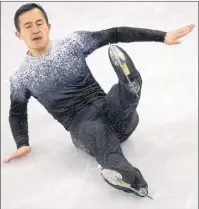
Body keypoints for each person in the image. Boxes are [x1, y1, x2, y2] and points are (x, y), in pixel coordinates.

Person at [4, 3, 194, 197]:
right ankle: (126, 177)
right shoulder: (22, 77)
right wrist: (22, 143)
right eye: (28, 26)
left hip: (113, 113)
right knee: (96, 133)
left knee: (117, 97)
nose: (35, 30)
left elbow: (114, 33)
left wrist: (161, 36)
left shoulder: (72, 43)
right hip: (82, 127)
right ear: (19, 34)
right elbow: (17, 113)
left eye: (39, 23)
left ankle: (129, 85)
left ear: (48, 26)